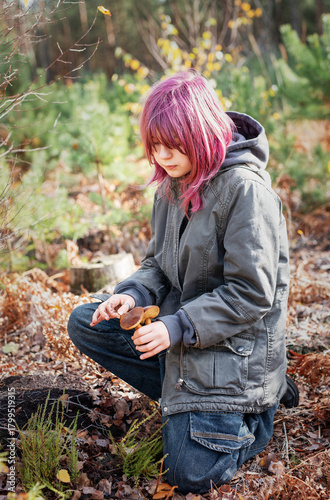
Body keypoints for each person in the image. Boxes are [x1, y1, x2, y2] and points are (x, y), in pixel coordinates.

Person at [67, 70, 298, 494]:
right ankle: (187, 400)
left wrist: (175, 327)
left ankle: (256, 412)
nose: (164, 156)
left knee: (190, 473)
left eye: (173, 144)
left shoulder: (247, 192)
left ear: (202, 132)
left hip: (234, 350)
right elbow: (158, 263)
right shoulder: (172, 186)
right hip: (186, 337)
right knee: (86, 322)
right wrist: (131, 295)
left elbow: (252, 294)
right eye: (155, 145)